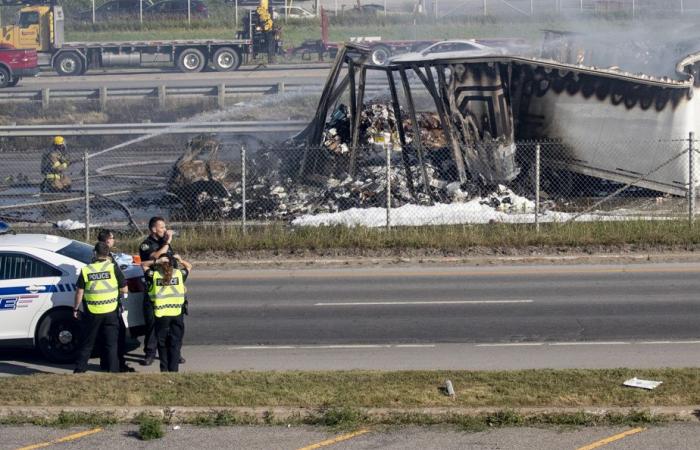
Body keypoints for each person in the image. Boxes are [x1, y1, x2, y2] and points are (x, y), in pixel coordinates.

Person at [73, 242, 127, 373]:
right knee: (111, 344)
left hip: (93, 311)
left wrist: (75, 309)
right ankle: (113, 370)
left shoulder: (86, 270)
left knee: (88, 343)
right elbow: (124, 289)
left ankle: (80, 370)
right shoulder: (113, 268)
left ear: (95, 253)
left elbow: (80, 292)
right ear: (108, 254)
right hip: (111, 310)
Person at [139, 216, 178, 366]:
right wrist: (167, 242)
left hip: (168, 289)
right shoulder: (146, 244)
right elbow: (154, 256)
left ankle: (174, 352)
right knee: (152, 323)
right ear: (154, 229)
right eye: (161, 227)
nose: (164, 229)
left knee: (170, 323)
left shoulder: (164, 243)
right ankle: (149, 353)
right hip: (153, 289)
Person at [97, 229, 135, 373]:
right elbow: (118, 280)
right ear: (107, 240)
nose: (114, 240)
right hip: (110, 303)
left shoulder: (99, 254)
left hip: (102, 303)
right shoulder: (108, 258)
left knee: (105, 336)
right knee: (117, 336)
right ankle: (117, 364)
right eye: (112, 238)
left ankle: (107, 363)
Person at [145, 255, 191, 372]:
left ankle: (164, 370)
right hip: (176, 314)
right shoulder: (179, 274)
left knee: (162, 344)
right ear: (173, 264)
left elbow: (143, 265)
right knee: (175, 344)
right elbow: (189, 266)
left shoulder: (154, 276)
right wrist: (180, 260)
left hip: (161, 315)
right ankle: (174, 370)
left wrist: (157, 261)